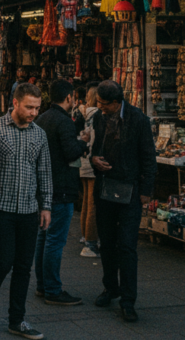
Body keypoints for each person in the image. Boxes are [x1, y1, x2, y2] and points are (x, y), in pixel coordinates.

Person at [0, 83, 52, 340]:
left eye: (37, 108)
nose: (33, 112)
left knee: (24, 266)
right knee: (3, 261)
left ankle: (17, 320)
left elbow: (44, 171)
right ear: (15, 103)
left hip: (29, 210)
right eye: (29, 107)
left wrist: (46, 206)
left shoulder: (39, 134)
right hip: (1, 208)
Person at [85, 80, 156, 323]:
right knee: (107, 242)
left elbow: (148, 156)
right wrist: (95, 160)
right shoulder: (99, 118)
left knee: (126, 246)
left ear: (117, 103)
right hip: (105, 187)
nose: (100, 107)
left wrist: (146, 190)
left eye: (104, 104)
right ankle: (110, 288)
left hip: (130, 190)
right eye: (99, 104)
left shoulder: (138, 119)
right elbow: (95, 148)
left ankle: (128, 300)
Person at [33, 80, 87, 305]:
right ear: (69, 98)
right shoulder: (64, 121)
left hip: (45, 186)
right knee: (54, 239)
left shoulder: (43, 118)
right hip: (61, 187)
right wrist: (83, 142)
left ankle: (42, 285)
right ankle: (53, 290)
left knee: (44, 237)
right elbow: (70, 153)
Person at [78, 87, 100, 258]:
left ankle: (85, 235)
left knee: (86, 199)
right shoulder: (97, 115)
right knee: (92, 202)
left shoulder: (81, 113)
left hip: (82, 161)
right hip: (92, 161)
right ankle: (90, 243)